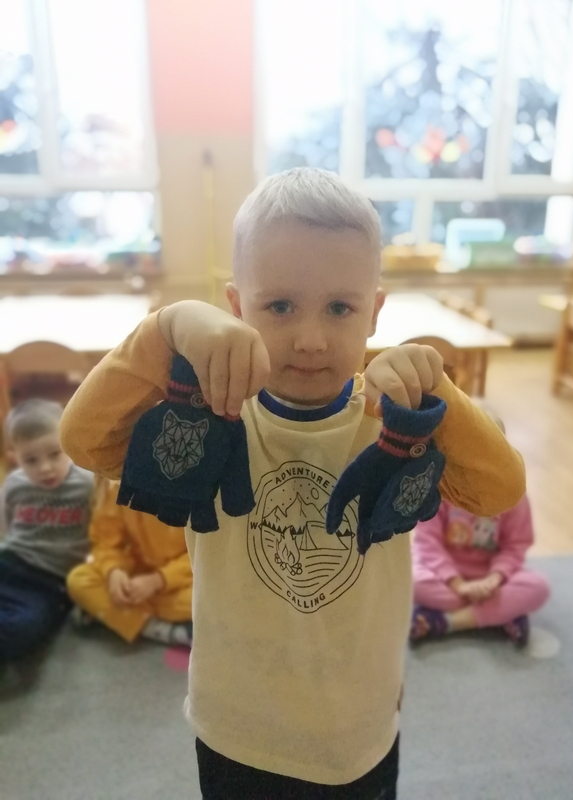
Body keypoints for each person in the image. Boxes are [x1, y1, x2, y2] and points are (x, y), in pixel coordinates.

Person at [59, 168, 526, 799]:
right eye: (279, 306)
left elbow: (499, 491)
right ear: (236, 308)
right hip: (238, 731)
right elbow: (83, 441)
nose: (310, 340)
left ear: (374, 313)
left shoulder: (396, 422)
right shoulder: (208, 414)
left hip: (359, 730)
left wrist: (436, 387)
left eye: (340, 308)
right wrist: (164, 329)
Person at [410, 404, 550, 647]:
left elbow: (515, 546)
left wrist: (494, 579)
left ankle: (447, 621)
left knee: (537, 587)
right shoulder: (441, 488)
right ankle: (501, 614)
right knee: (410, 581)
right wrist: (458, 584)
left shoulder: (513, 495)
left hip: (493, 580)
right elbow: (427, 543)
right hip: (446, 577)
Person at [0, 399, 94, 663]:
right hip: (9, 561)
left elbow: (104, 532)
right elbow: (5, 527)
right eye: (30, 460)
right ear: (14, 457)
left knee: (25, 628)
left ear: (69, 445)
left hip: (49, 582)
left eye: (54, 454)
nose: (44, 468)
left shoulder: (87, 484)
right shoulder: (14, 484)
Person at [67, 479, 193, 646]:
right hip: (135, 575)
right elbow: (105, 542)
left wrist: (159, 580)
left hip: (184, 581)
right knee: (79, 579)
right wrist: (114, 570)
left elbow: (206, 557)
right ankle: (156, 627)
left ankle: (119, 614)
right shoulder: (115, 486)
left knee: (213, 599)